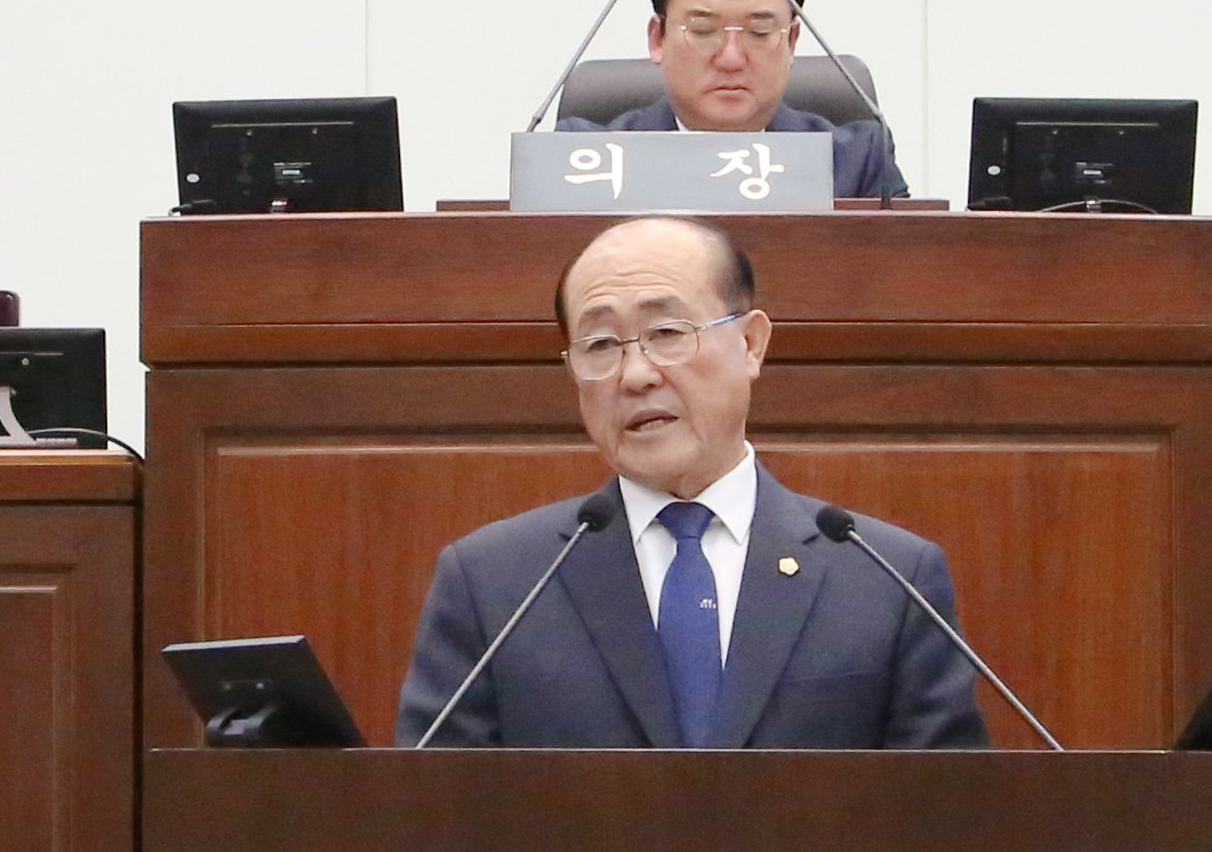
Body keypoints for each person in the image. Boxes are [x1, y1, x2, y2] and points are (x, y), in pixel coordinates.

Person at [396, 215, 985, 749]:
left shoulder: (887, 577)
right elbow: (435, 813)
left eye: (668, 333)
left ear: (750, 344)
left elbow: (946, 816)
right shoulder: (493, 584)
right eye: (600, 345)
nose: (636, 375)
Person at [563, 0, 905, 200]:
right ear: (659, 38)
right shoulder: (586, 159)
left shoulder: (854, 163)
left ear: (791, 41)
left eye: (759, 32)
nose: (731, 58)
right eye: (702, 31)